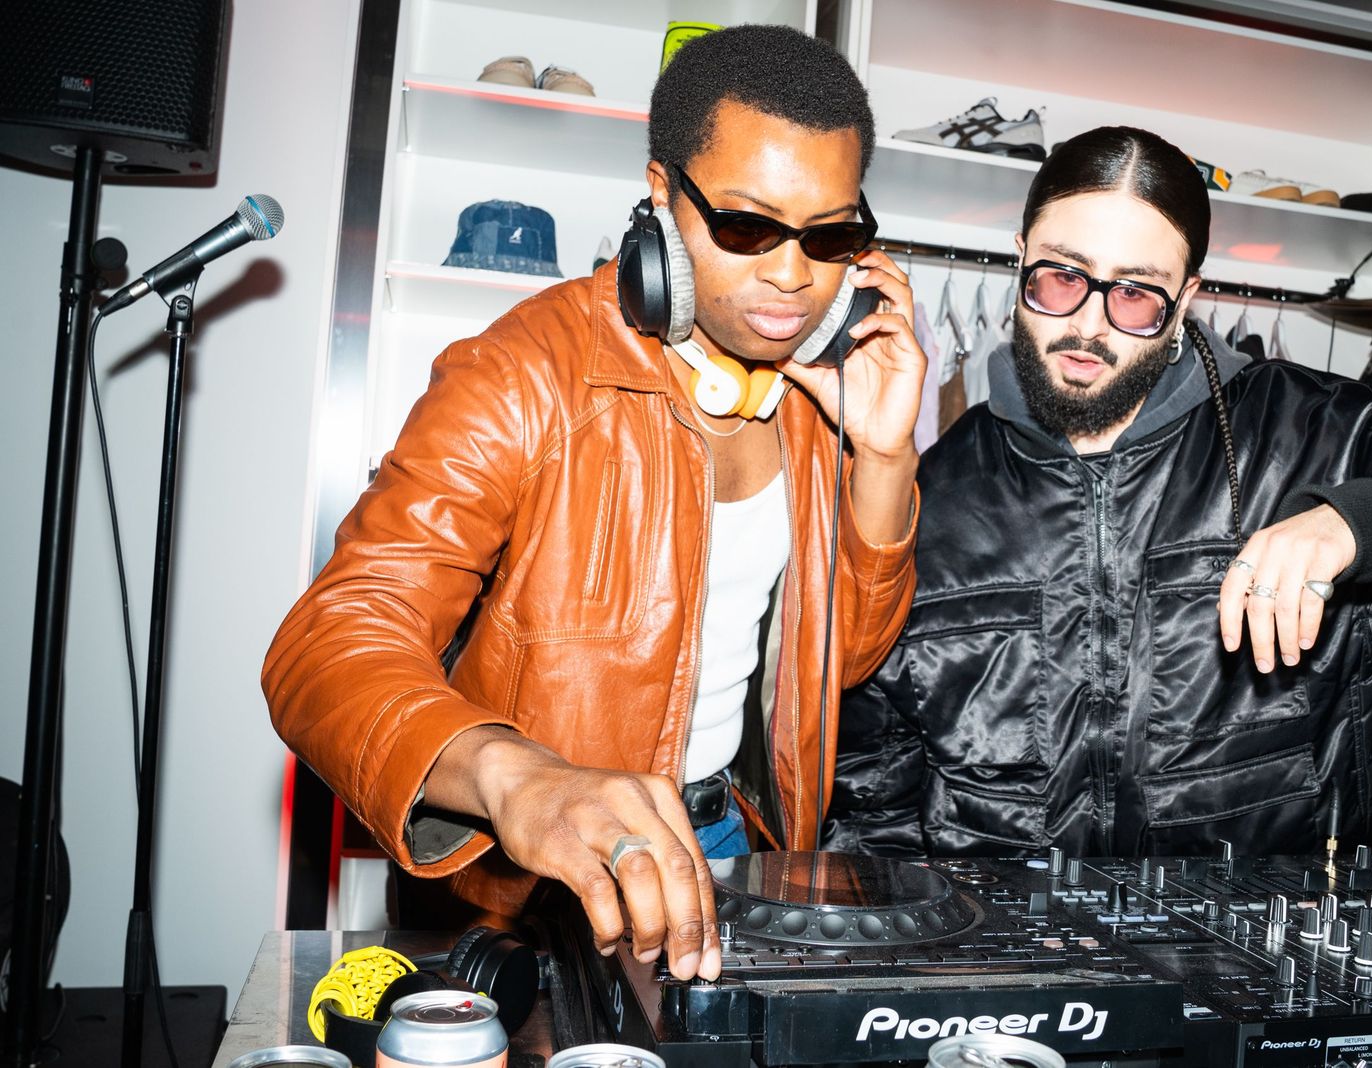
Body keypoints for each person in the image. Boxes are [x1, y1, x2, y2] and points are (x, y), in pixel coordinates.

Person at [262, 26, 925, 979]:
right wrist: (514, 776)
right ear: (662, 192)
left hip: (728, 847)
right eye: (747, 226)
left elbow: (843, 659)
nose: (792, 274)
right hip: (531, 882)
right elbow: (330, 644)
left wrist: (885, 454)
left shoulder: (822, 396)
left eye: (829, 236)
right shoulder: (523, 372)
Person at [825, 127, 1372, 858]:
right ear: (1021, 256)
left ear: (1186, 298)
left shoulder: (1320, 440)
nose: (1090, 326)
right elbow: (871, 799)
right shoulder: (928, 495)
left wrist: (1366, 524)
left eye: (1136, 293)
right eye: (1062, 276)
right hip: (1008, 946)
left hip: (1274, 942)